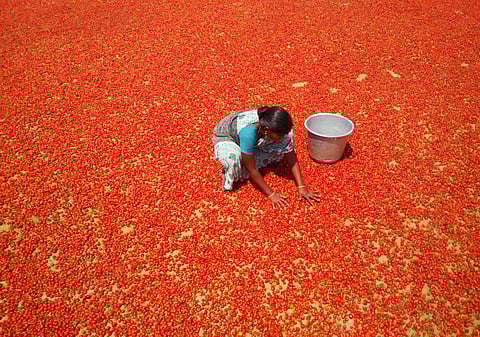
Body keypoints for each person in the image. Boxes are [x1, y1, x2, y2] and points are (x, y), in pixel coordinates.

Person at [212, 105, 320, 208]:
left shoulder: (273, 127)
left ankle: (248, 151)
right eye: (280, 135)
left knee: (279, 153)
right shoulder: (248, 133)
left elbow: (291, 155)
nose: (283, 137)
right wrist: (271, 194)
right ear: (267, 130)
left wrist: (301, 187)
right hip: (228, 135)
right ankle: (233, 166)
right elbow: (252, 170)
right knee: (234, 160)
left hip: (257, 135)